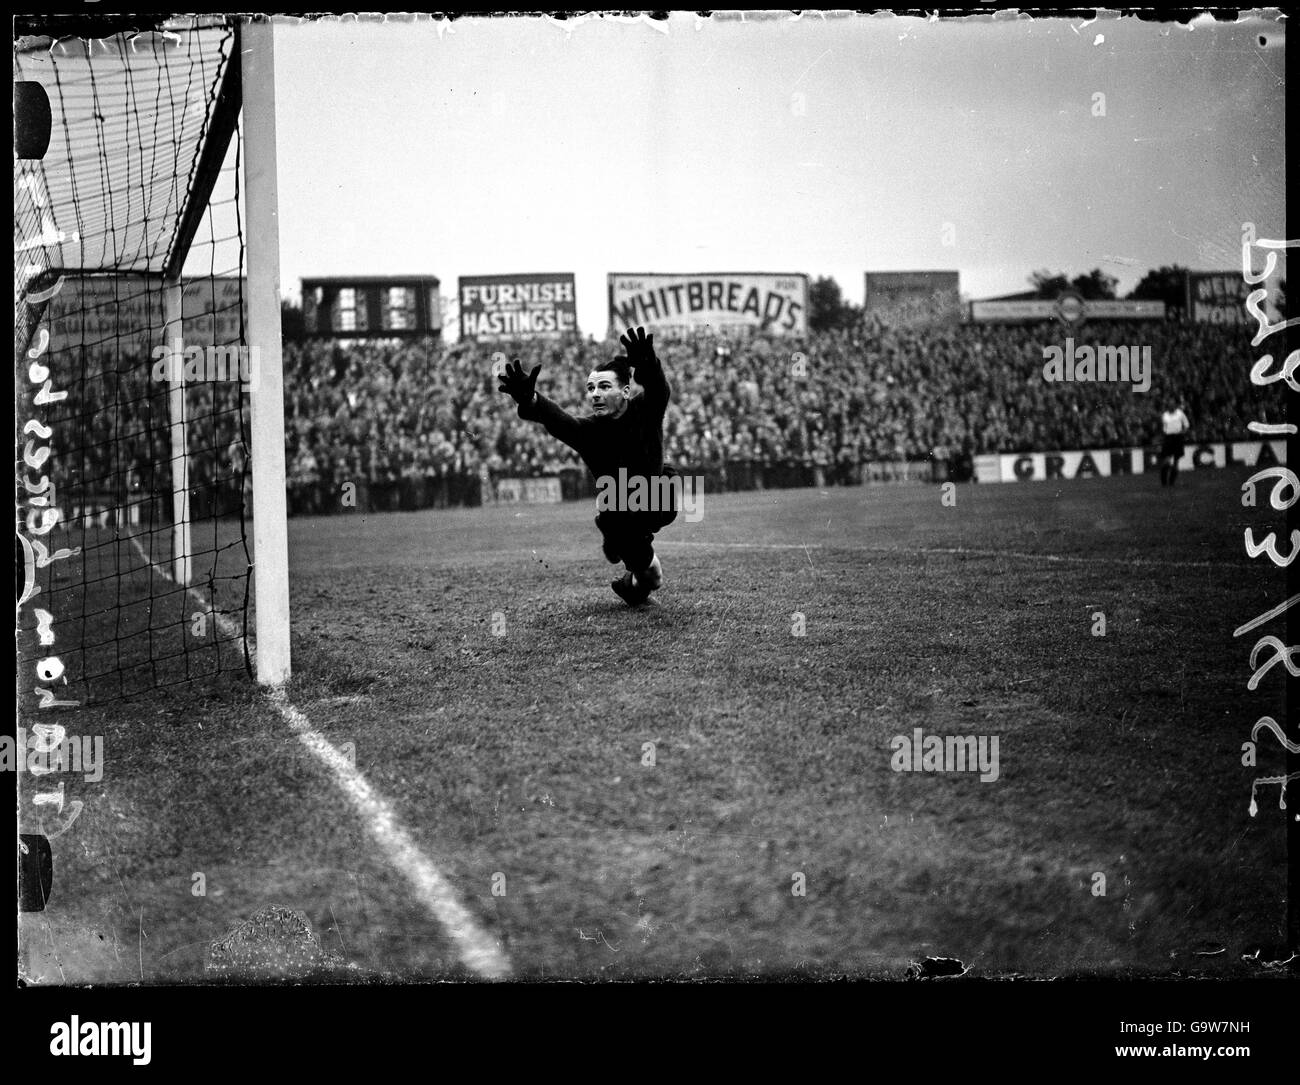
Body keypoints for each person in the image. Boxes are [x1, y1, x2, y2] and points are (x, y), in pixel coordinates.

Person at [498, 326, 677, 606]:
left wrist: (647, 363)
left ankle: (624, 545)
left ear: (626, 391)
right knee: (654, 579)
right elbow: (558, 419)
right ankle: (629, 576)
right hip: (620, 511)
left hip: (653, 497)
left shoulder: (646, 410)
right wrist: (530, 399)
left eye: (605, 386)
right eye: (591, 387)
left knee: (665, 491)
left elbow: (658, 388)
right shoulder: (589, 432)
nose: (595, 394)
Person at [1158, 398, 1191, 487]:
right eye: (1169, 404)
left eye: (1172, 404)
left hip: (1178, 438)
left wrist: (1183, 432)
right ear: (1168, 405)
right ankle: (1164, 483)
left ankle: (1171, 483)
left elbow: (1187, 425)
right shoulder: (1165, 415)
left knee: (1176, 462)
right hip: (1168, 438)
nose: (1171, 406)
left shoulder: (1180, 414)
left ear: (1175, 405)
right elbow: (1164, 428)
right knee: (1166, 462)